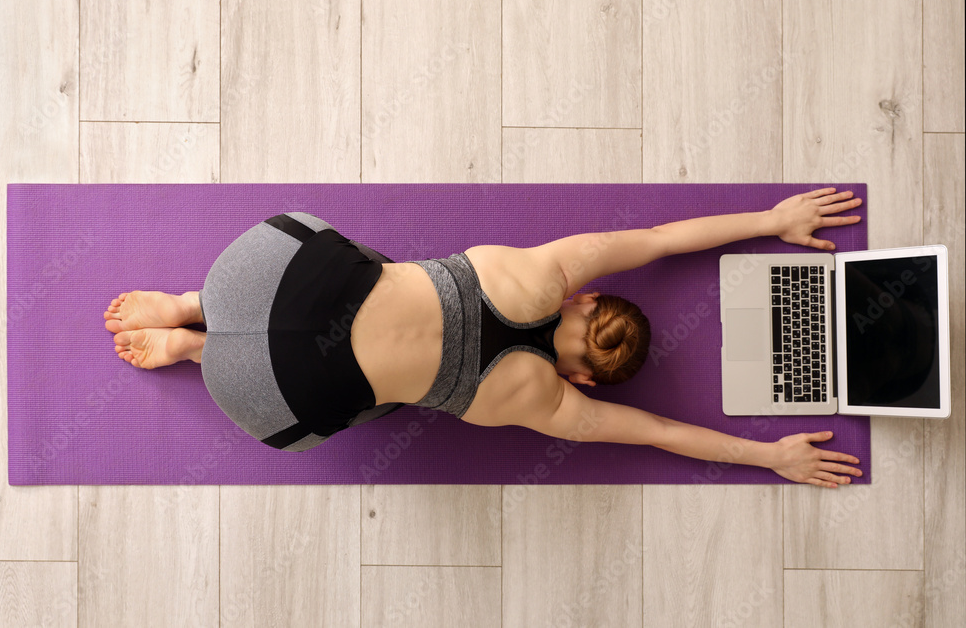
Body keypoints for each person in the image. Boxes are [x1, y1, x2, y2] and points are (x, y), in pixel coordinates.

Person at [104, 188, 864, 488]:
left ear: (586, 300)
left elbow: (663, 239)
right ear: (591, 379)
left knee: (357, 268)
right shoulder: (557, 407)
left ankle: (187, 302)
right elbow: (664, 433)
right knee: (373, 403)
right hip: (265, 393)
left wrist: (772, 221)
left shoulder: (547, 270)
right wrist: (770, 454)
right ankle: (198, 348)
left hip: (256, 271)